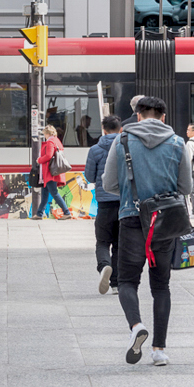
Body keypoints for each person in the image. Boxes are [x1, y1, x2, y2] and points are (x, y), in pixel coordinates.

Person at [102, 95, 193, 367]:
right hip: (165, 223)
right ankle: (159, 350)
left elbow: (109, 184)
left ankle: (136, 326)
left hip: (131, 217)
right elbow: (186, 187)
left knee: (128, 281)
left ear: (138, 116)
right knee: (161, 286)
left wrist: (132, 194)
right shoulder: (178, 143)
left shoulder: (122, 141)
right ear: (163, 117)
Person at [86, 115, 123, 295]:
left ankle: (104, 266)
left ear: (104, 130)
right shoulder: (126, 147)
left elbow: (90, 177)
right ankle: (116, 284)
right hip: (123, 203)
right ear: (120, 129)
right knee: (118, 243)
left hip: (104, 204)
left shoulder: (95, 150)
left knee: (102, 242)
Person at [33, 125, 73, 220]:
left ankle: (66, 212)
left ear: (47, 133)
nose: (44, 136)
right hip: (53, 171)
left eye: (44, 134)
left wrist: (39, 160)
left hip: (50, 172)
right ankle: (39, 214)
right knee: (45, 193)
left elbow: (49, 156)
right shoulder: (57, 141)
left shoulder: (50, 142)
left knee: (54, 193)